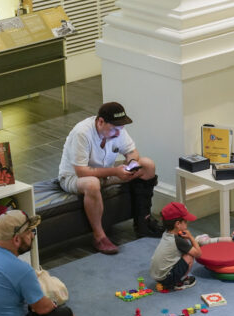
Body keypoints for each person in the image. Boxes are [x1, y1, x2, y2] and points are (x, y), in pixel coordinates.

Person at [58, 101, 163, 255]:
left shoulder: (117, 129)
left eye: (120, 128)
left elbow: (131, 151)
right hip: (73, 177)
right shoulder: (82, 133)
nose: (118, 133)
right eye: (114, 129)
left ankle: (143, 221)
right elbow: (81, 171)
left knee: (147, 165)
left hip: (105, 171)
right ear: (100, 122)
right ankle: (99, 237)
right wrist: (114, 171)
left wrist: (132, 163)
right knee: (92, 184)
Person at [149, 202, 202, 291]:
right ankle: (179, 282)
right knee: (189, 256)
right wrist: (191, 237)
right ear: (177, 224)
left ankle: (172, 279)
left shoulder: (166, 233)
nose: (187, 224)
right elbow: (198, 254)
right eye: (185, 221)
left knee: (184, 252)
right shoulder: (178, 240)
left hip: (156, 275)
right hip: (166, 278)